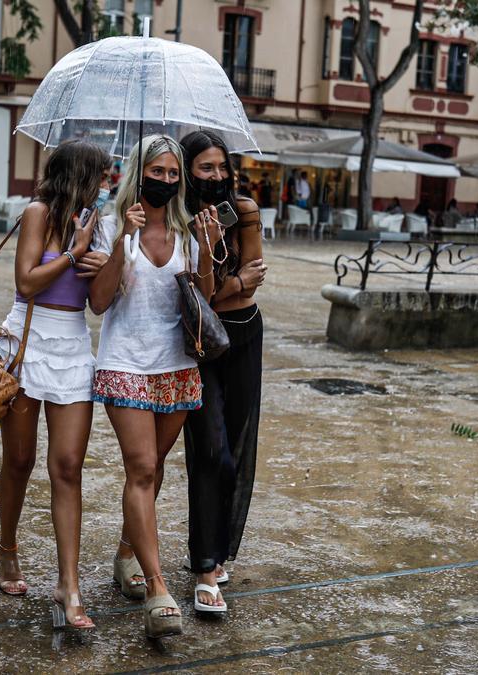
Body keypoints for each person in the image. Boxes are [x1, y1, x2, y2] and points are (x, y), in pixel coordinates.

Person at [88, 134, 222, 639]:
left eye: (172, 174)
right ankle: (158, 589)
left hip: (175, 365)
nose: (164, 180)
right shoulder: (109, 227)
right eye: (157, 171)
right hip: (125, 361)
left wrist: (207, 251)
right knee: (141, 468)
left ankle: (126, 554)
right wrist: (123, 240)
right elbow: (98, 303)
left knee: (154, 468)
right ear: (137, 174)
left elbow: (204, 300)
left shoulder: (189, 231)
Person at [0, 140, 112, 630]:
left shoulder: (102, 224)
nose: (107, 184)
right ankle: (7, 548)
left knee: (68, 467)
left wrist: (113, 258)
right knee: (20, 460)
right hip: (28, 341)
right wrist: (73, 254)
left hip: (71, 347)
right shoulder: (38, 212)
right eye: (101, 177)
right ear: (78, 176)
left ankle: (69, 585)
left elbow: (99, 304)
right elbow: (25, 281)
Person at [179, 130, 267, 615]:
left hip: (244, 335)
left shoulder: (246, 210)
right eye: (205, 168)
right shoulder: (177, 219)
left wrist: (225, 285)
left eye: (221, 168)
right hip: (200, 344)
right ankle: (206, 569)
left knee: (235, 444)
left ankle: (218, 545)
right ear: (189, 171)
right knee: (212, 453)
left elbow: (255, 281)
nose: (215, 177)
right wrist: (229, 280)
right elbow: (196, 296)